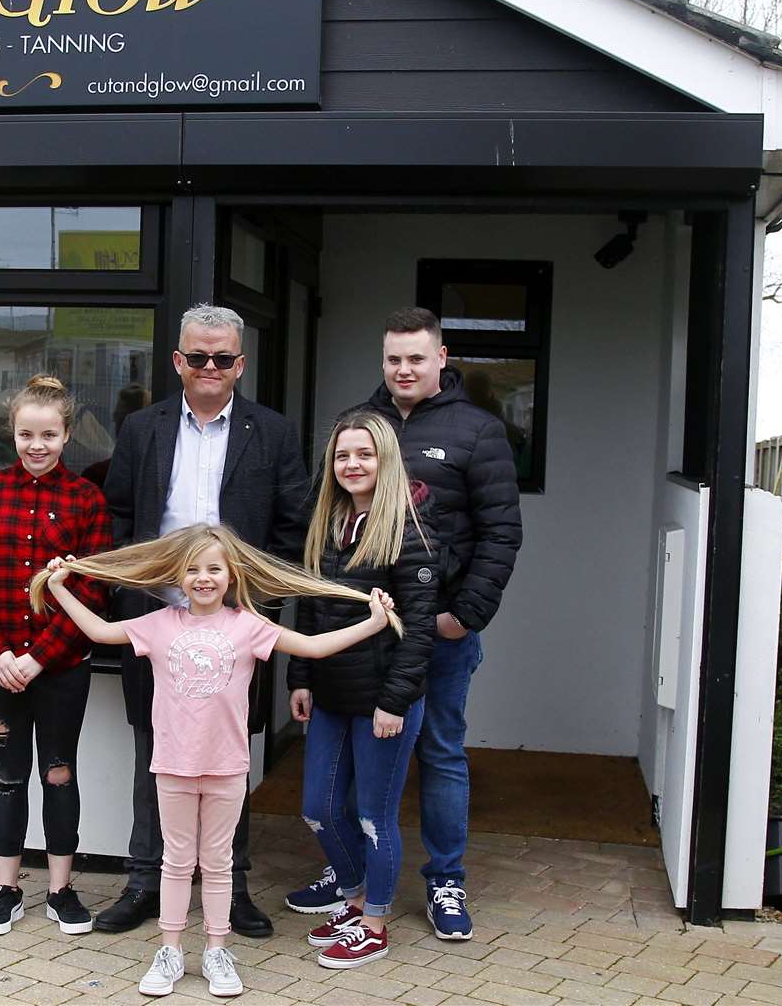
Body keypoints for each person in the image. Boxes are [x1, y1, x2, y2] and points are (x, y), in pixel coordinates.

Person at [32, 524, 396, 998]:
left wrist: (374, 622)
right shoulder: (159, 623)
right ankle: (170, 951)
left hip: (227, 766)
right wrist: (59, 586)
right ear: (177, 576)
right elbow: (100, 630)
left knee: (219, 863)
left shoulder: (248, 625)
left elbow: (312, 648)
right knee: (176, 862)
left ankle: (217, 951)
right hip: (173, 765)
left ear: (231, 575)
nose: (203, 578)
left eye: (214, 569)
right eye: (193, 569)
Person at [285, 306, 521, 940]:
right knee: (358, 773)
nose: (404, 369)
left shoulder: (478, 430)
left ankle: (445, 881)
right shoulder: (360, 425)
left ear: (441, 358)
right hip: (358, 642)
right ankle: (355, 881)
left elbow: (501, 534)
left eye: (417, 357)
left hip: (436, 629)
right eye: (394, 358)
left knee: (440, 752)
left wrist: (461, 616)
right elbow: (322, 534)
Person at [100, 304, 309, 938]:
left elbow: (292, 524)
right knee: (153, 750)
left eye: (222, 358)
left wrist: (256, 606)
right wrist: (127, 598)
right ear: (178, 361)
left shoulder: (271, 432)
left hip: (235, 623)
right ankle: (144, 881)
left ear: (240, 364)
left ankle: (232, 884)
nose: (210, 367)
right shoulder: (143, 428)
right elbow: (116, 516)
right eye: (198, 357)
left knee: (230, 755)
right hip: (158, 616)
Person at [0, 375, 115, 937]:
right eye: (26, 434)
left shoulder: (86, 500)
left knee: (59, 772)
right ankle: (6, 888)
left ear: (67, 434)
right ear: (13, 434)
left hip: (62, 668)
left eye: (48, 434)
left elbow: (92, 592)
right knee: (6, 775)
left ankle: (61, 890)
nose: (37, 445)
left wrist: (39, 658)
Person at [288, 411, 439, 969]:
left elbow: (420, 628)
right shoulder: (326, 523)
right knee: (319, 809)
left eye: (365, 454)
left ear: (386, 460)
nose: (353, 464)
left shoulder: (411, 528)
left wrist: (393, 701)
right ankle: (352, 898)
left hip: (383, 702)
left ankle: (373, 921)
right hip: (329, 694)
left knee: (374, 815)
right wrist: (300, 677)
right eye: (343, 455)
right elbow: (308, 606)